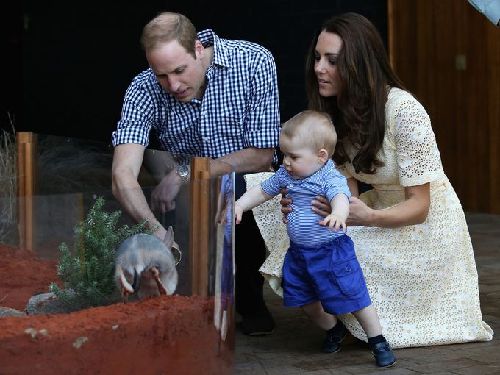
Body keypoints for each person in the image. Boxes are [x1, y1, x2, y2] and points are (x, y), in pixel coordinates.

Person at [251, 12, 494, 348]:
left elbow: (421, 206)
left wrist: (368, 218)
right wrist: (305, 201)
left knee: (342, 252)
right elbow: (342, 190)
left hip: (424, 225)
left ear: (358, 64)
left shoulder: (403, 111)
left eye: (332, 60)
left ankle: (360, 322)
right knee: (300, 231)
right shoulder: (334, 114)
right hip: (372, 209)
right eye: (318, 58)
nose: (319, 68)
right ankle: (337, 321)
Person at [111, 11, 280, 335]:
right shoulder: (142, 88)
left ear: (199, 49)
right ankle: (184, 300)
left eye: (179, 70)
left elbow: (261, 154)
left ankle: (248, 298)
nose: (172, 85)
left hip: (242, 180)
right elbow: (122, 175)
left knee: (235, 189)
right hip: (181, 193)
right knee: (156, 191)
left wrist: (187, 173)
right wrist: (156, 231)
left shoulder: (254, 61)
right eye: (162, 75)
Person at [235, 110, 396, 367]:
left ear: (321, 157)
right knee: (304, 299)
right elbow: (263, 191)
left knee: (354, 296)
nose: (286, 161)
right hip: (299, 253)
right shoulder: (288, 174)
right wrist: (241, 205)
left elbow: (340, 197)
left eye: (293, 156)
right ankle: (334, 330)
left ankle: (378, 340)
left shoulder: (328, 177)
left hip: (331, 251)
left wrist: (339, 215)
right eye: (284, 154)